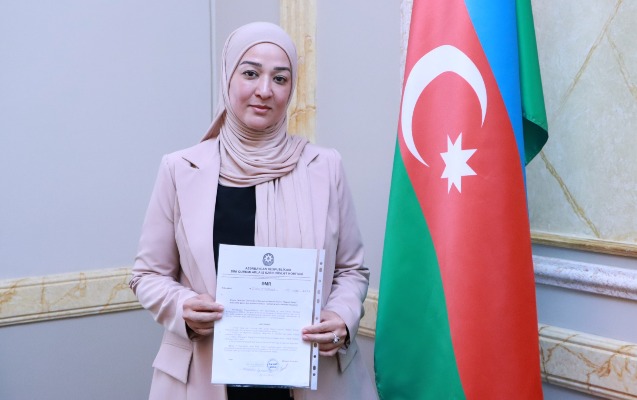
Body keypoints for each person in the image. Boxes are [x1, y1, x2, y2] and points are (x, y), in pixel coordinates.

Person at [130, 21, 377, 400]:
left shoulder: (325, 167)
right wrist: (182, 307)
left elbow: (351, 270)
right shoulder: (180, 169)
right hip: (206, 377)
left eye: (280, 78)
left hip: (309, 378)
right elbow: (148, 274)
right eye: (250, 73)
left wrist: (342, 317)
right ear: (228, 77)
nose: (265, 90)